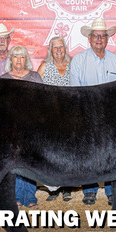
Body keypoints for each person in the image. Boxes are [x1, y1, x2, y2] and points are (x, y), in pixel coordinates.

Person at [69, 17, 116, 205]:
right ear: (89, 38)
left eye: (103, 36)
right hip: (86, 113)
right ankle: (90, 190)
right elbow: (74, 90)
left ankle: (110, 190)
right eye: (96, 36)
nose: (99, 39)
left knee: (111, 153)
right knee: (88, 153)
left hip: (110, 115)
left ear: (107, 39)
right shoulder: (78, 60)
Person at [1, 45, 42, 209]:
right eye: (15, 56)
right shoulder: (3, 78)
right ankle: (16, 198)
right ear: (10, 59)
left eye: (22, 56)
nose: (19, 60)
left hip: (32, 126)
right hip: (12, 127)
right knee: (14, 164)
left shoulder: (35, 76)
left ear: (27, 59)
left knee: (30, 163)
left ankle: (30, 197)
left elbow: (43, 101)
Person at [37, 36, 73, 201]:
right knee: (53, 154)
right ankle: (53, 188)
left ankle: (67, 188)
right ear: (50, 50)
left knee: (69, 153)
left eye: (61, 47)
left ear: (65, 49)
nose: (58, 50)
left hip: (69, 117)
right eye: (55, 47)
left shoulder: (73, 65)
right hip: (50, 117)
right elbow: (36, 89)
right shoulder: (45, 66)